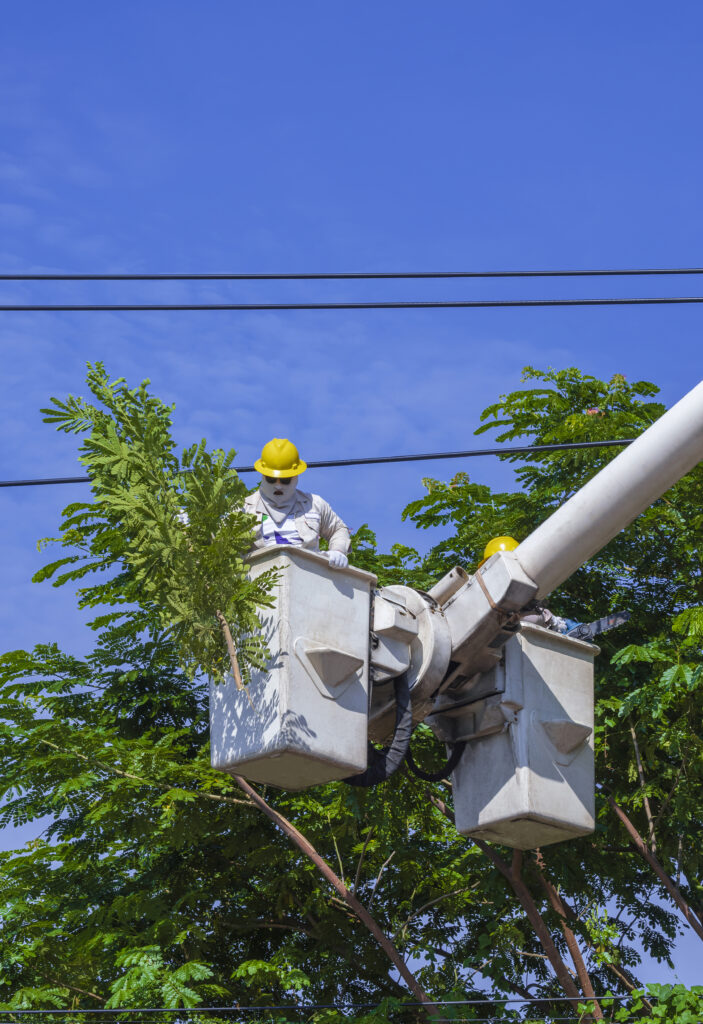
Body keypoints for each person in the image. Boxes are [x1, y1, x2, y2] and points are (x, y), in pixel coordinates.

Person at [244, 437, 351, 569]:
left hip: (309, 577)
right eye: (272, 479)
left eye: (285, 480)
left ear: (295, 477)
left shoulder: (314, 504)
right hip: (259, 580)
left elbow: (338, 529)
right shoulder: (244, 509)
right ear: (262, 475)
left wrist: (338, 551)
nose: (278, 486)